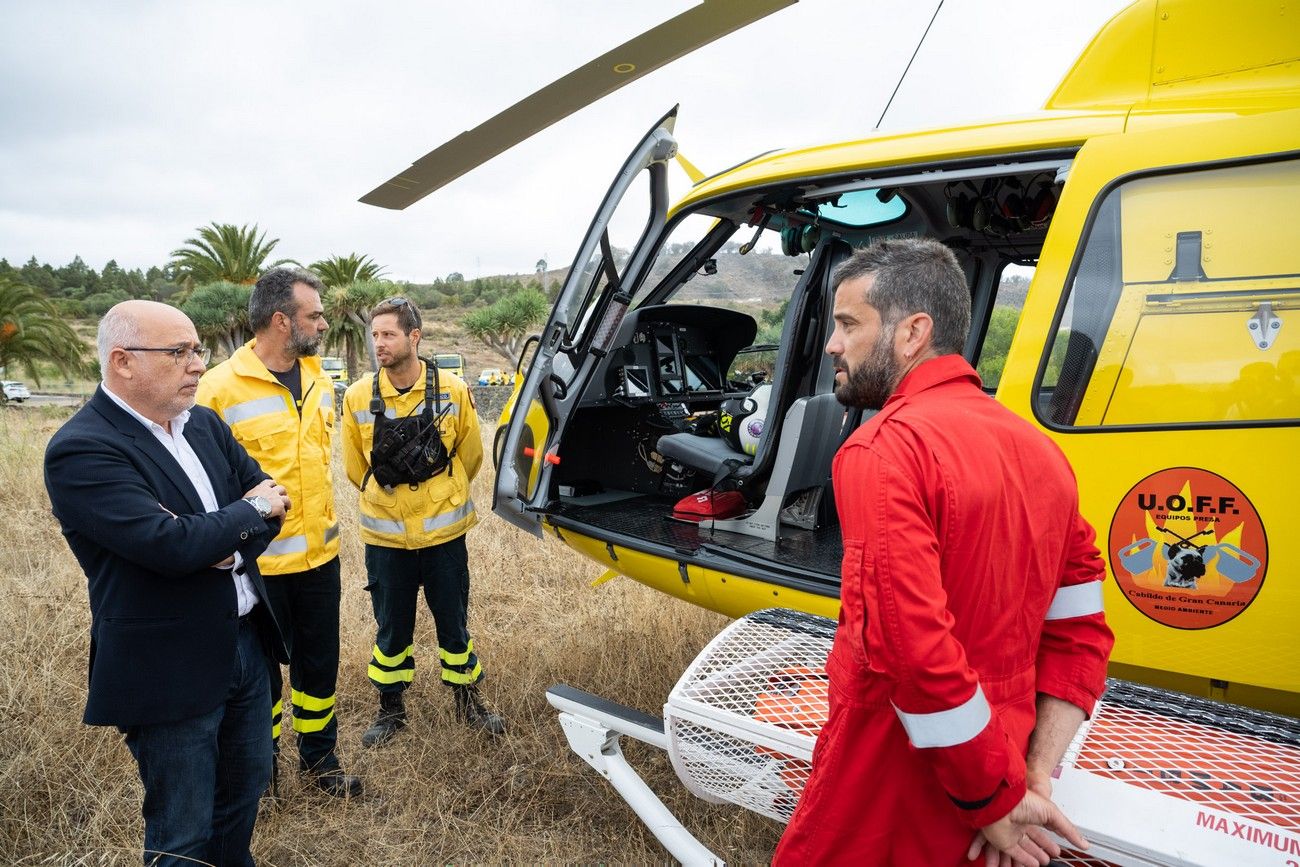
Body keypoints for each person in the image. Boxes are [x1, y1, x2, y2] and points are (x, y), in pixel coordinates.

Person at [773, 239, 1115, 867]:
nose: (832, 345)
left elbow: (915, 656)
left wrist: (996, 800)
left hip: (891, 781)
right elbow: (1081, 632)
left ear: (913, 332)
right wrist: (1028, 778)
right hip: (997, 776)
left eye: (849, 324)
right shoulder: (1042, 453)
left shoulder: (884, 450)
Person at [44, 300, 291, 866]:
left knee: (245, 793)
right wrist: (217, 529)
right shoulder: (83, 448)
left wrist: (215, 541)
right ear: (123, 362)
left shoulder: (203, 424)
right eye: (178, 352)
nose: (198, 365)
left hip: (247, 643)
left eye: (198, 350)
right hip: (168, 663)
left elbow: (272, 501)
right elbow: (167, 545)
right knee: (181, 829)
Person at [196, 267, 363, 798]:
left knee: (319, 670)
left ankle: (320, 761)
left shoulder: (319, 380)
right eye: (314, 315)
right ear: (280, 320)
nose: (323, 322)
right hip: (259, 569)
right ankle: (260, 774)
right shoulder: (217, 389)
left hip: (320, 558)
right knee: (260, 681)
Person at [341, 297, 505, 746]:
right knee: (391, 627)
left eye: (388, 334)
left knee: (454, 621)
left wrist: (439, 495)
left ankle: (467, 701)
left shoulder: (452, 390)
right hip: (386, 538)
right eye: (374, 335)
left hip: (443, 535)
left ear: (415, 337)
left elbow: (470, 455)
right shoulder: (357, 396)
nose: (379, 344)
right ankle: (390, 709)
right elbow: (355, 466)